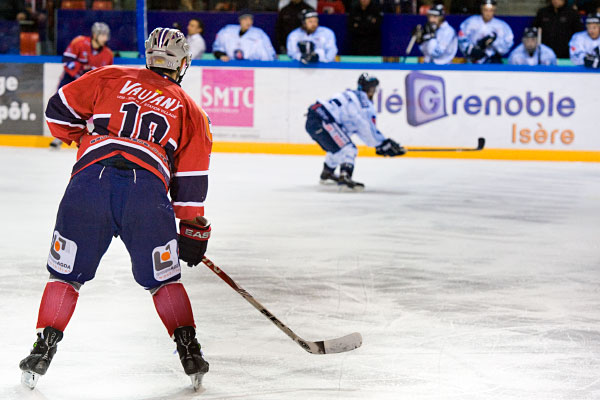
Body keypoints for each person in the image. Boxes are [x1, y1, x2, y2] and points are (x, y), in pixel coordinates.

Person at [19, 27, 213, 391]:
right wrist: (192, 230)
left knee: (65, 276)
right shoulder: (191, 111)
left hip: (89, 185)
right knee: (163, 282)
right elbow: (190, 184)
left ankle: (42, 349)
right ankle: (189, 350)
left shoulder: (110, 75)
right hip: (147, 194)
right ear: (182, 64)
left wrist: (87, 138)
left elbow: (57, 113)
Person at [304, 74, 405, 191]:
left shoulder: (350, 95)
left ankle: (328, 173)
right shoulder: (364, 103)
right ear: (371, 89)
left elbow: (356, 127)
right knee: (349, 149)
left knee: (339, 147)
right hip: (325, 120)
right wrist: (382, 143)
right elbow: (365, 127)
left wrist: (380, 144)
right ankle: (345, 178)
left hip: (314, 118)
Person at [50, 22, 114, 149]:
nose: (105, 38)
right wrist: (80, 74)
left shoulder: (108, 54)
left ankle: (87, 138)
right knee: (64, 109)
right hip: (70, 82)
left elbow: (106, 75)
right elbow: (67, 61)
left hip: (90, 87)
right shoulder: (79, 43)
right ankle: (58, 137)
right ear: (95, 35)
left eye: (106, 35)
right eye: (103, 35)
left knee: (90, 112)